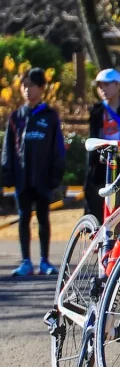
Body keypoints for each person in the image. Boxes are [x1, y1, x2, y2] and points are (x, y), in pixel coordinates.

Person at [3, 67, 65, 277]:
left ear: (41, 88)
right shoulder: (16, 117)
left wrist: (56, 173)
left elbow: (58, 147)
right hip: (22, 177)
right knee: (23, 217)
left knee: (43, 217)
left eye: (31, 85)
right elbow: (8, 148)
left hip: (43, 177)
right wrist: (7, 172)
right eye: (24, 86)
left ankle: (45, 261)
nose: (27, 90)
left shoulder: (50, 116)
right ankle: (26, 261)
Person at [85, 68, 120, 220]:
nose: (103, 89)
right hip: (102, 164)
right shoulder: (96, 110)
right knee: (101, 212)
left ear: (118, 84)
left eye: (107, 85)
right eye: (99, 85)